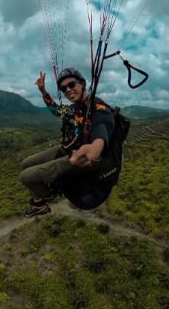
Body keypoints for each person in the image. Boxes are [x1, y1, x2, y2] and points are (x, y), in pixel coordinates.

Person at [19, 66, 115, 216]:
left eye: (71, 85)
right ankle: (39, 204)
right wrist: (43, 91)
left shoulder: (98, 108)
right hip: (67, 148)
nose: (68, 90)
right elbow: (56, 110)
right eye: (64, 88)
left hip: (80, 157)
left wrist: (95, 149)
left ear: (82, 84)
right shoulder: (74, 109)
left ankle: (48, 194)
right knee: (25, 163)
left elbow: (100, 131)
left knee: (26, 177)